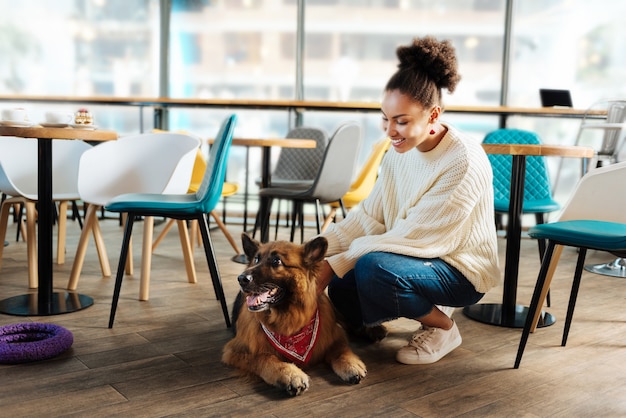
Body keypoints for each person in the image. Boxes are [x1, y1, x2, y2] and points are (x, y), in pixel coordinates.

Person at [317, 36, 501, 365]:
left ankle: (443, 327)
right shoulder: (398, 152)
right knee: (343, 286)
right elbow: (369, 218)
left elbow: (413, 236)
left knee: (372, 268)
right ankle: (382, 320)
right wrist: (313, 252)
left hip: (459, 267)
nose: (390, 130)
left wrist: (334, 264)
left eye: (402, 121)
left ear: (433, 116)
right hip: (418, 254)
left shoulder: (463, 161)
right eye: (385, 119)